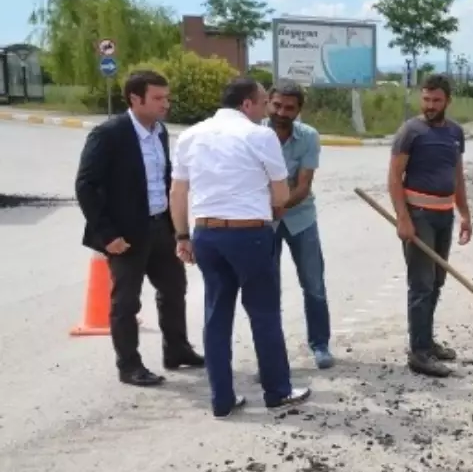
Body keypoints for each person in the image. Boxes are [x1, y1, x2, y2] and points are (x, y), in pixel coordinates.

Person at [169, 77, 311, 417]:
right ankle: (277, 391)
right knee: (264, 313)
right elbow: (280, 196)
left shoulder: (190, 135)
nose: (266, 110)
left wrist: (182, 237)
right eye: (263, 103)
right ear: (246, 104)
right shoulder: (260, 136)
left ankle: (221, 399)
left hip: (205, 233)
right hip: (250, 234)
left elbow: (177, 193)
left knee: (216, 315)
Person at [74, 70, 205, 387]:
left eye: (167, 97)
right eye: (158, 98)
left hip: (161, 226)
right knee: (126, 302)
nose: (166, 104)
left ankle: (176, 349)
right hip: (125, 235)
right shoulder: (109, 134)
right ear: (135, 99)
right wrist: (107, 235)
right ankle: (129, 365)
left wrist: (178, 229)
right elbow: (86, 185)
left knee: (174, 289)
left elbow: (165, 180)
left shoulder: (159, 132)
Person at [387, 73, 472, 379]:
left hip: (444, 215)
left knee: (436, 282)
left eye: (436, 100)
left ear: (448, 100)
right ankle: (419, 353)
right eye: (426, 99)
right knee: (421, 285)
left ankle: (426, 341)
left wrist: (465, 214)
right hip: (419, 216)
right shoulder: (410, 131)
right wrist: (403, 218)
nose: (430, 105)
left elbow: (457, 177)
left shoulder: (455, 133)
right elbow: (394, 178)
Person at [266, 80, 334, 370]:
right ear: (268, 102)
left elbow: (303, 186)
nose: (281, 112)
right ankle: (272, 353)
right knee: (268, 290)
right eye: (277, 105)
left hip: (300, 217)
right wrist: (266, 212)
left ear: (299, 110)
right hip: (262, 221)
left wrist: (278, 207)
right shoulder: (255, 135)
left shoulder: (308, 137)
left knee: (313, 284)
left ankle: (320, 344)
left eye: (289, 108)